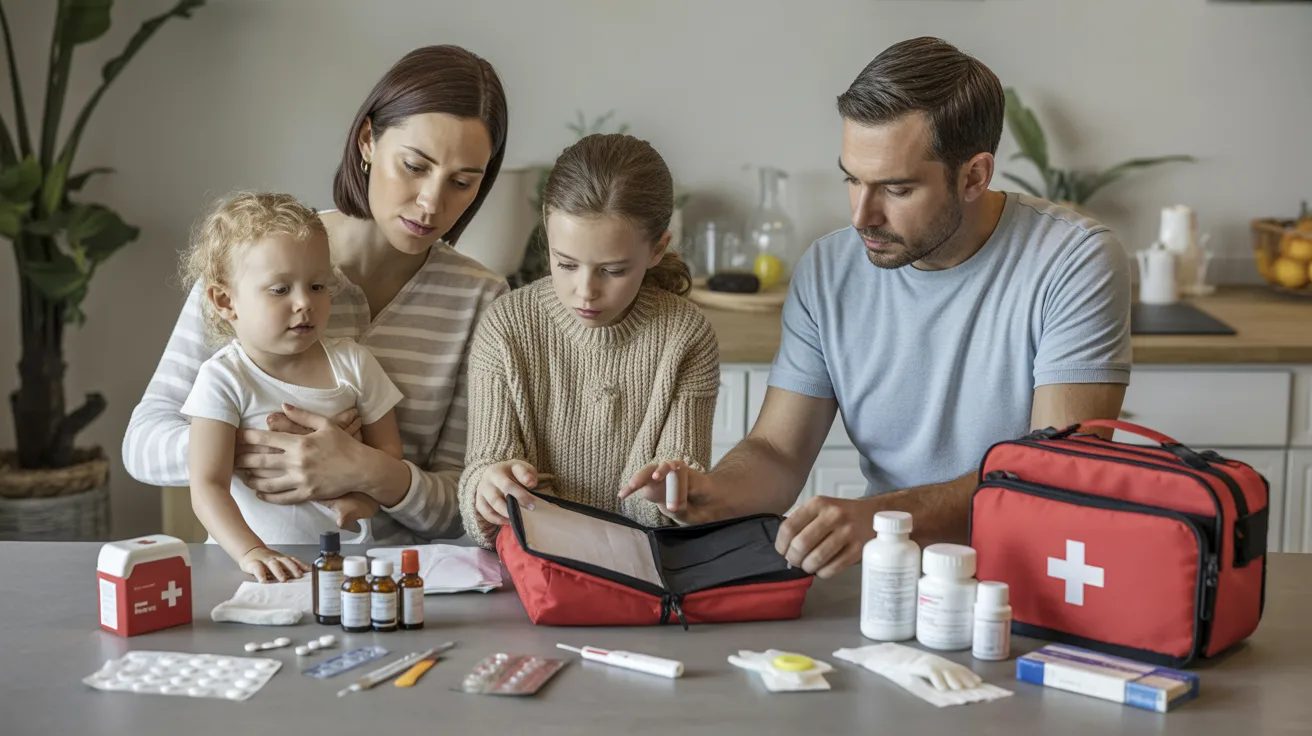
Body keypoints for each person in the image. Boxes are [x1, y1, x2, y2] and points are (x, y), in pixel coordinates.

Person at [621, 37, 1131, 577]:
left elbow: (1056, 473)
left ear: (974, 176)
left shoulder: (1075, 260)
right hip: (887, 578)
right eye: (852, 179)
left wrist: (886, 517)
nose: (863, 215)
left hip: (1031, 580)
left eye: (897, 188)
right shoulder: (829, 269)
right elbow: (777, 451)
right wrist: (711, 491)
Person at [123, 45, 509, 543]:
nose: (432, 203)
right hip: (254, 575)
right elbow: (142, 443)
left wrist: (366, 470)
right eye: (414, 166)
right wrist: (259, 445)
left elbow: (460, 504)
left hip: (394, 591)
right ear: (368, 140)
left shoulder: (481, 300)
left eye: (461, 182)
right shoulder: (251, 265)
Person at [458, 133, 718, 548]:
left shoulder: (686, 335)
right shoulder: (505, 326)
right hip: (536, 572)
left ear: (657, 249)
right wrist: (487, 490)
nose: (585, 291)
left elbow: (674, 496)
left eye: (613, 270)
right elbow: (484, 468)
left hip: (645, 567)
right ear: (546, 227)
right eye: (566, 264)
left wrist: (672, 492)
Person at [181, 193, 404, 581]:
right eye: (280, 289)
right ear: (225, 300)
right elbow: (207, 484)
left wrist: (363, 497)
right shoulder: (223, 379)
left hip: (346, 566)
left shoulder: (353, 363)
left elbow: (388, 451)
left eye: (318, 286)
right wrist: (252, 552)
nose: (305, 303)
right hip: (250, 569)